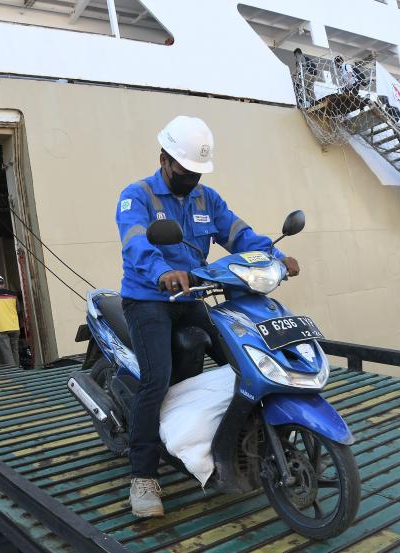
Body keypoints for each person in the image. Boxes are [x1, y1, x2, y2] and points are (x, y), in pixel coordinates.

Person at [116, 115, 301, 518]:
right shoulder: (138, 196)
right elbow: (134, 243)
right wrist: (162, 272)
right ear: (164, 158)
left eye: (198, 171)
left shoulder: (206, 199)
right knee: (156, 379)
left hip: (193, 295)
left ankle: (239, 440)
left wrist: (274, 255)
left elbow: (238, 234)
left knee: (244, 359)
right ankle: (142, 477)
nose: (191, 178)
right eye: (185, 170)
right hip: (149, 298)